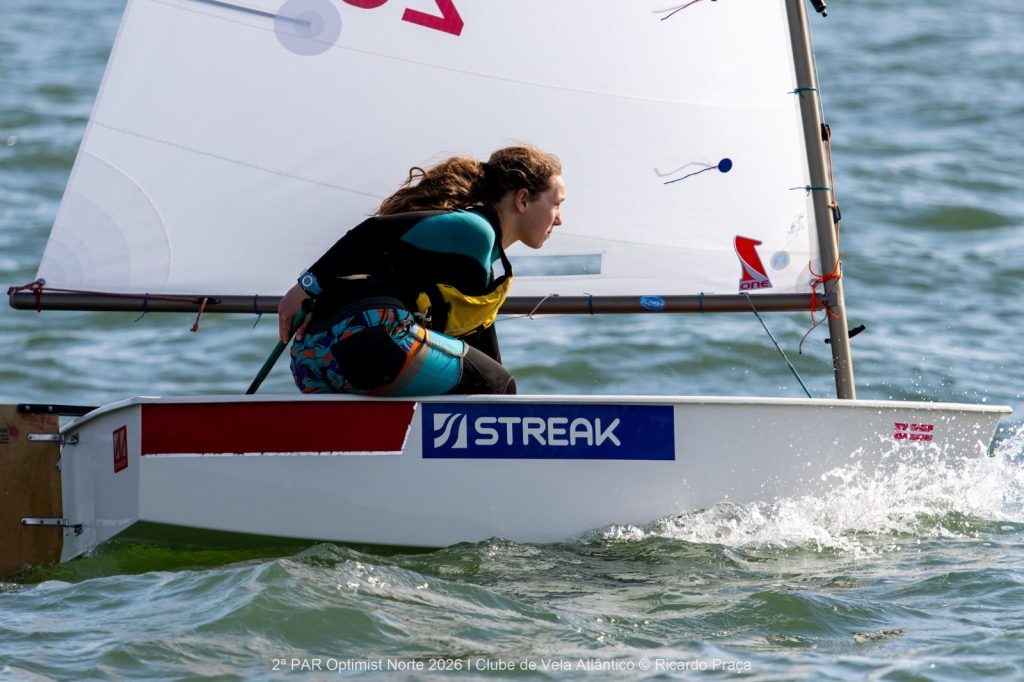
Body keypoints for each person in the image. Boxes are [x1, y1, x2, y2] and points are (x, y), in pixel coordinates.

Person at [277, 145, 565, 396]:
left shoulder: (482, 262)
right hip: (371, 342)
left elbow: (479, 351)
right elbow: (373, 231)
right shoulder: (475, 230)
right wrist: (306, 286)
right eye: (556, 204)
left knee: (489, 384)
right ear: (523, 199)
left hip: (313, 359)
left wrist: (500, 393)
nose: (559, 219)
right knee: (497, 385)